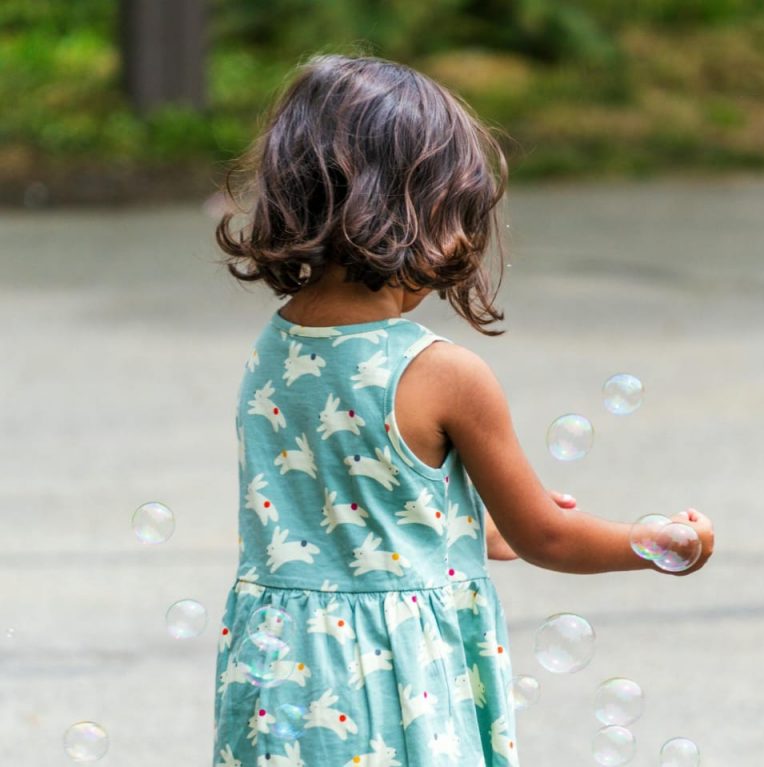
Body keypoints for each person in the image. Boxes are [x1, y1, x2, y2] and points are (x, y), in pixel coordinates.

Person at [211, 54, 715, 767]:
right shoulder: (443, 373)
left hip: (281, 680)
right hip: (389, 682)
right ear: (409, 215)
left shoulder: (274, 347)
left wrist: (461, 529)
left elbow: (339, 517)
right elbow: (549, 536)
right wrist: (663, 542)